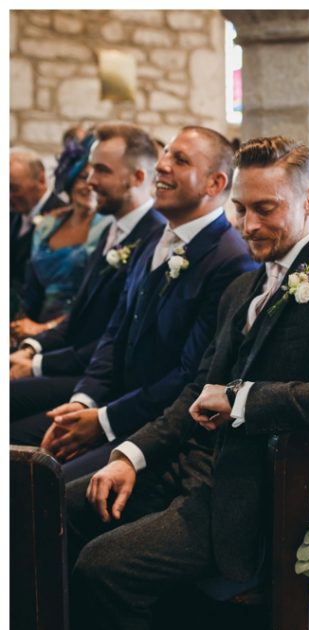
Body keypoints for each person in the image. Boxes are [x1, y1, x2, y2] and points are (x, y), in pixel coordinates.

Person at [64, 134, 309, 630]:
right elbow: (194, 388)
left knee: (103, 568)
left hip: (246, 496)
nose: (248, 223)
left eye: (266, 208)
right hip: (189, 466)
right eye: (241, 207)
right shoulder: (244, 287)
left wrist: (244, 402)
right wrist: (131, 454)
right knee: (60, 504)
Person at [11, 126, 256, 482]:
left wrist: (104, 422)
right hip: (113, 403)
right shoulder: (156, 235)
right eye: (165, 154)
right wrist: (85, 402)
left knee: (48, 487)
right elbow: (115, 333)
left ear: (214, 185)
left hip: (156, 427)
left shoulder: (229, 260)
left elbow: (188, 376)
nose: (162, 165)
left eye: (180, 159)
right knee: (17, 454)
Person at [10, 123, 166, 423]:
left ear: (138, 177)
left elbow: (116, 336)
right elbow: (79, 314)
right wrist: (32, 348)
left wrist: (39, 364)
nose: (90, 181)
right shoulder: (113, 228)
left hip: (106, 382)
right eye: (90, 170)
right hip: (81, 367)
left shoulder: (154, 236)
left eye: (102, 171)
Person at [12, 135, 112, 338]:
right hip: (34, 325)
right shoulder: (47, 225)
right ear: (70, 179)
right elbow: (31, 289)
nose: (90, 185)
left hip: (78, 330)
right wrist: (19, 325)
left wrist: (46, 329)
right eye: (83, 177)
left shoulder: (108, 227)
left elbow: (98, 298)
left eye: (96, 178)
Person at [9, 148, 71, 319]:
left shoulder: (63, 217)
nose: (8, 196)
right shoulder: (10, 215)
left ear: (41, 179)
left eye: (13, 188)